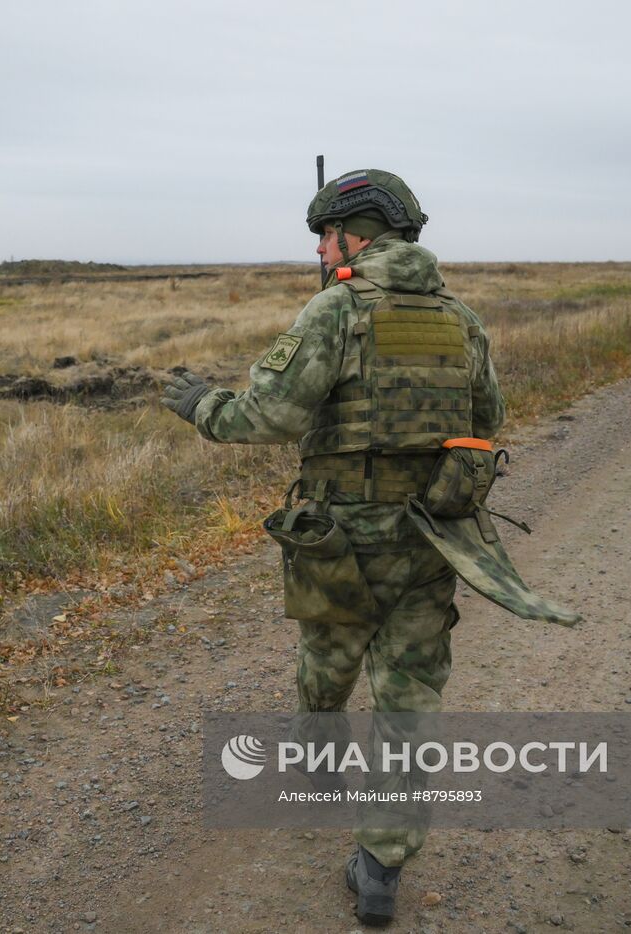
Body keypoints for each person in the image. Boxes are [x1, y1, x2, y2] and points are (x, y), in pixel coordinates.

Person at [162, 169, 506, 926]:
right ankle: (380, 870)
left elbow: (270, 415)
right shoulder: (462, 319)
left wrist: (200, 405)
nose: (320, 248)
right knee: (410, 701)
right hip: (430, 539)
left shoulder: (335, 309)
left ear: (360, 234)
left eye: (327, 234)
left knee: (327, 655)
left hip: (338, 536)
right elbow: (490, 417)